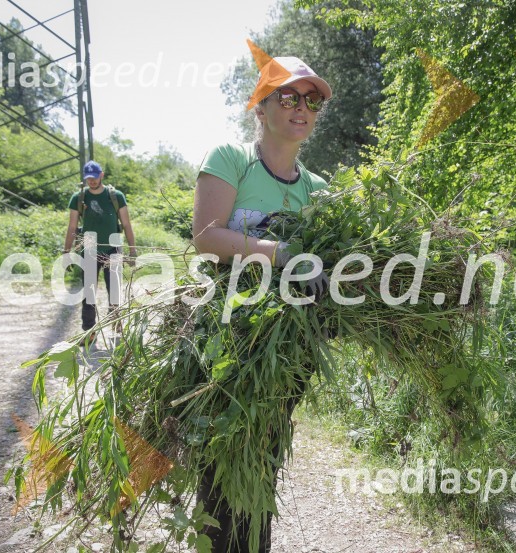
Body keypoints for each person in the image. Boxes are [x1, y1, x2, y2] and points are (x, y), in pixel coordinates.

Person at [191, 53, 332, 552]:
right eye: (288, 96)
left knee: (265, 457)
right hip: (226, 339)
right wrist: (282, 252)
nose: (302, 107)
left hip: (287, 351)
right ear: (261, 106)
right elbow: (207, 237)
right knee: (221, 457)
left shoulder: (318, 190)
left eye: (310, 100)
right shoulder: (231, 159)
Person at [63, 160, 137, 340]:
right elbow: (73, 227)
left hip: (113, 247)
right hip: (89, 248)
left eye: (95, 178)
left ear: (101, 175)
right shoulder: (79, 198)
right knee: (88, 293)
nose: (92, 181)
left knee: (114, 289)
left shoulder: (116, 196)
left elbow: (126, 224)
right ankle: (89, 331)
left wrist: (132, 251)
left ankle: (117, 322)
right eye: (89, 178)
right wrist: (66, 252)